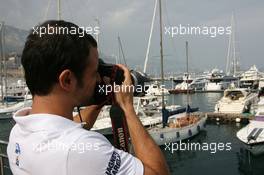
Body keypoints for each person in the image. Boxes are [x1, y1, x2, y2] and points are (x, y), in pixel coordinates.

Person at [7, 20, 170, 175]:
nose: (99, 79)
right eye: (94, 73)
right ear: (67, 80)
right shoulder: (81, 150)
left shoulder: (19, 132)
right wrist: (127, 107)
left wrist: (101, 99)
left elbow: (69, 129)